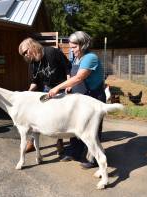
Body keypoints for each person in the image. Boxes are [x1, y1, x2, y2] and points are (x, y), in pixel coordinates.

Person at [48, 31, 106, 169]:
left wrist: (57, 88)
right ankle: (75, 152)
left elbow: (79, 77)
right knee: (75, 126)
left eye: (74, 47)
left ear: (83, 45)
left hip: (93, 97)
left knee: (92, 129)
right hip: (80, 97)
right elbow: (74, 77)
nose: (71, 50)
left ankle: (93, 157)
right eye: (71, 47)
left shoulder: (90, 58)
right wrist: (69, 87)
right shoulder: (76, 58)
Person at [18, 37, 71, 154]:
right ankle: (31, 142)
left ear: (32, 46)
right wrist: (28, 92)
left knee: (58, 117)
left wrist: (68, 84)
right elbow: (35, 81)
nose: (25, 55)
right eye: (23, 54)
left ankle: (59, 141)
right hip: (47, 89)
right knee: (37, 115)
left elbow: (67, 66)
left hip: (61, 87)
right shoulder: (33, 63)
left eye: (25, 52)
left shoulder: (52, 52)